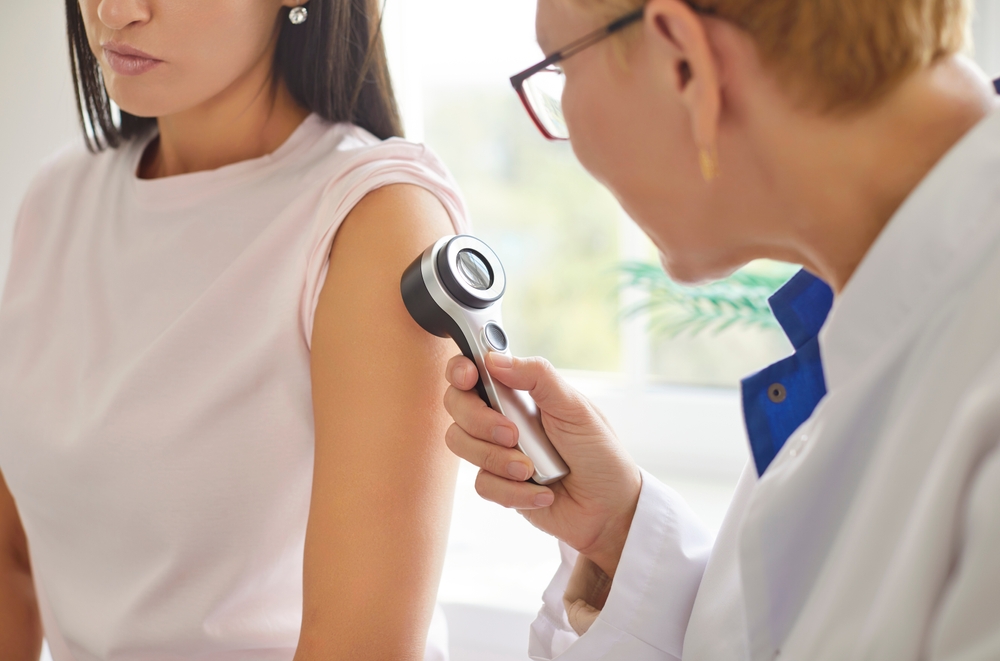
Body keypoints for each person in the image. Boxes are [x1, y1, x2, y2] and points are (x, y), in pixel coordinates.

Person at [444, 0, 1000, 658]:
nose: (564, 137)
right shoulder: (888, 305)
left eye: (561, 69)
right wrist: (620, 532)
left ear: (682, 62)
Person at [0, 1, 464, 659]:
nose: (114, 11)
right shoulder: (58, 198)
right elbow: (13, 556)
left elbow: (362, 646)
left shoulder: (374, 220)